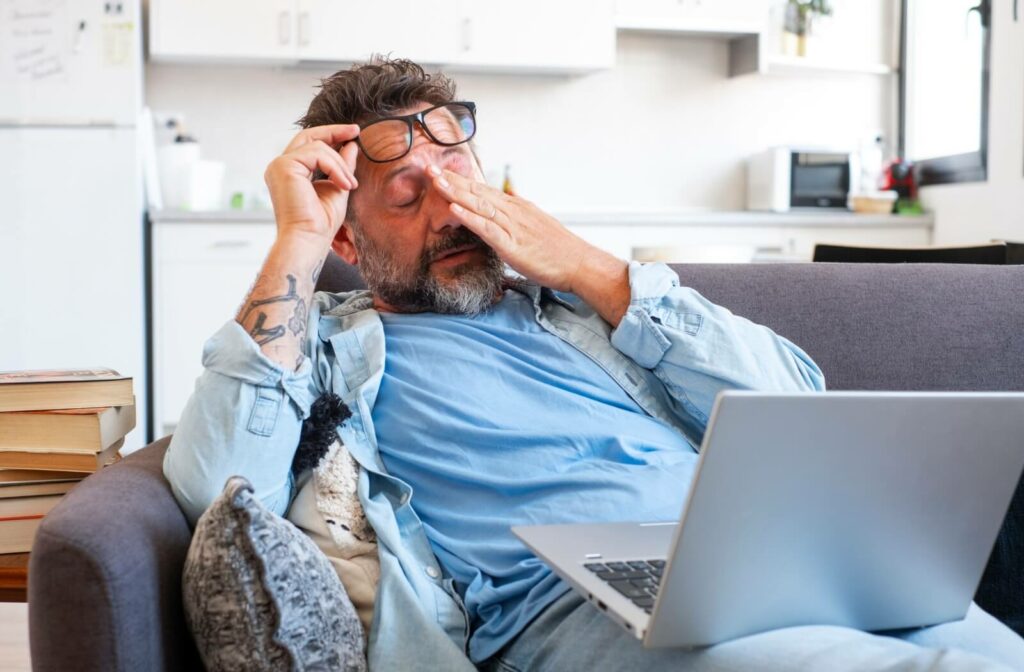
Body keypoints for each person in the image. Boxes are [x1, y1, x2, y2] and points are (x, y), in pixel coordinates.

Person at [163, 57, 1024, 671]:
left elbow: (798, 399)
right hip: (571, 612)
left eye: (459, 177)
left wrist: (593, 271)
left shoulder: (587, 306)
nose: (452, 209)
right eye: (407, 195)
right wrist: (298, 242)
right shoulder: (322, 346)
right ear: (351, 234)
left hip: (774, 564)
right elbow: (220, 483)